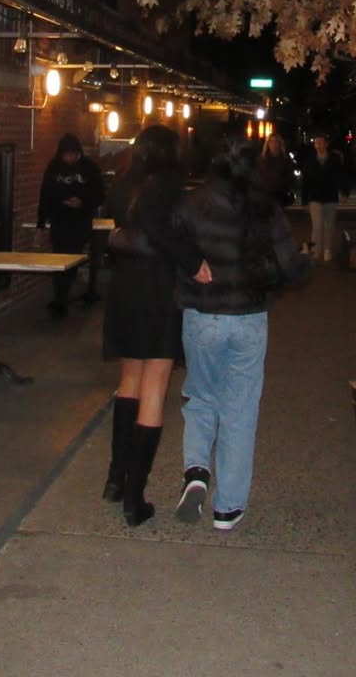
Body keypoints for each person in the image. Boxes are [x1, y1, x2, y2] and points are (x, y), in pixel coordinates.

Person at [172, 136, 308, 530]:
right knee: (240, 409)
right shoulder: (264, 207)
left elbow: (169, 246)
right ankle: (228, 508)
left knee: (201, 397)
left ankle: (197, 471)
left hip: (202, 315)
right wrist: (304, 264)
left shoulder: (192, 204)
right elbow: (289, 266)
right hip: (249, 317)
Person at [101, 125, 211, 527]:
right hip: (157, 288)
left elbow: (127, 226)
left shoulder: (123, 182)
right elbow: (160, 229)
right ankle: (135, 496)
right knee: (155, 383)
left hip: (125, 287)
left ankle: (116, 478)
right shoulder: (164, 184)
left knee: (130, 377)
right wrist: (195, 263)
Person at [36, 133, 105, 316]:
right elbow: (45, 195)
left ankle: (62, 298)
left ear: (78, 153)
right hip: (59, 221)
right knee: (59, 259)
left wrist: (83, 202)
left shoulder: (89, 168)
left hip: (80, 222)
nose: (68, 158)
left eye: (72, 155)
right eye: (65, 155)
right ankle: (60, 298)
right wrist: (41, 224)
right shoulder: (54, 167)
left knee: (71, 259)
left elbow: (99, 194)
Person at [300, 131, 349, 262]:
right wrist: (305, 201)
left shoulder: (334, 159)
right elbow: (306, 182)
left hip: (330, 196)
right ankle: (316, 251)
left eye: (321, 143)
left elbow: (342, 176)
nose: (318, 145)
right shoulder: (310, 160)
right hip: (315, 197)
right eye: (316, 143)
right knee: (317, 226)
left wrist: (344, 192)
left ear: (326, 144)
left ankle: (327, 249)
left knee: (329, 225)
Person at [258, 132, 295, 206]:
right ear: (268, 144)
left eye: (276, 142)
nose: (274, 144)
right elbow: (257, 174)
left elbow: (290, 175)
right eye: (271, 142)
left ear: (280, 144)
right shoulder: (262, 159)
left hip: (280, 193)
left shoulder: (285, 159)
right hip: (265, 194)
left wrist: (284, 185)